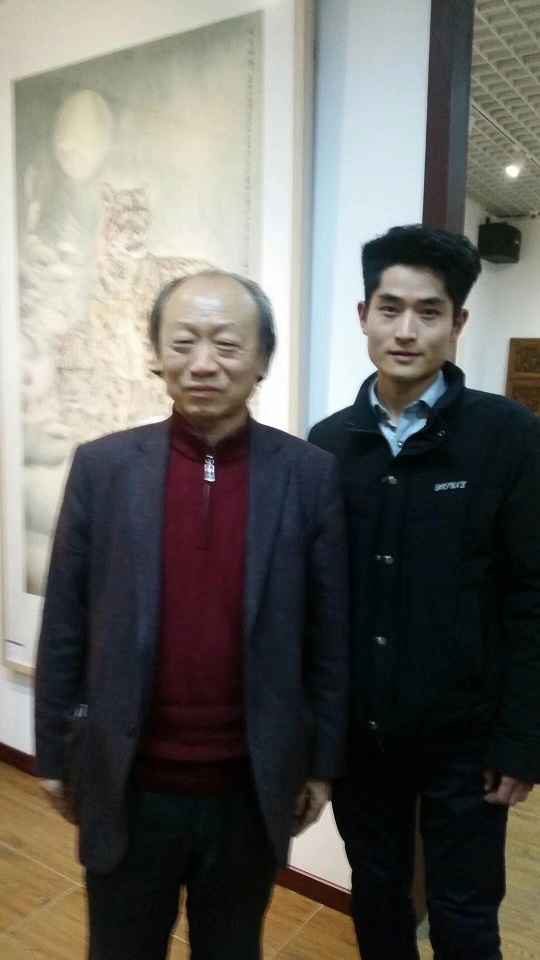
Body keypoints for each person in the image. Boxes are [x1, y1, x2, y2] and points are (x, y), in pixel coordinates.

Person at [35, 270, 349, 960]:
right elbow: (65, 622)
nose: (203, 363)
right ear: (157, 354)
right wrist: (53, 752)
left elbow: (328, 637)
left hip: (249, 789)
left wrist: (323, 764)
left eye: (227, 345)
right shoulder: (103, 468)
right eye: (183, 342)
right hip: (128, 785)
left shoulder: (308, 475)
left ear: (262, 358)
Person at [309, 225, 540, 960]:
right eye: (390, 308)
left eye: (429, 311)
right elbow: (318, 602)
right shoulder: (328, 443)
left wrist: (521, 740)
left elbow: (532, 594)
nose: (406, 330)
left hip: (466, 739)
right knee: (377, 896)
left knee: (465, 913)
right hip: (363, 735)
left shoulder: (507, 435)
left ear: (457, 322)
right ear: (364, 315)